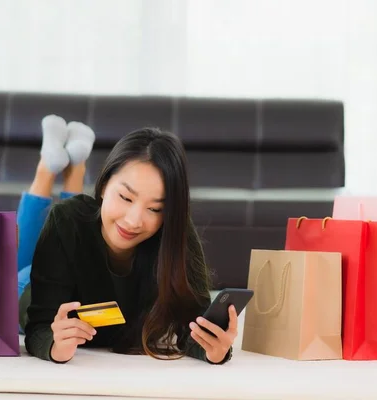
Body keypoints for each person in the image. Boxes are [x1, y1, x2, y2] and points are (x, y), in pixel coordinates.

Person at [17, 115, 237, 365]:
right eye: (125, 197)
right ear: (102, 185)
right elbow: (40, 325)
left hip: (77, 235)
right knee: (17, 267)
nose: (134, 221)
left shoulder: (176, 235)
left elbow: (194, 329)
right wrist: (56, 346)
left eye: (154, 209)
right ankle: (49, 168)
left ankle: (73, 166)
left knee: (78, 215)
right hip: (27, 286)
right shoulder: (66, 220)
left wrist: (215, 350)